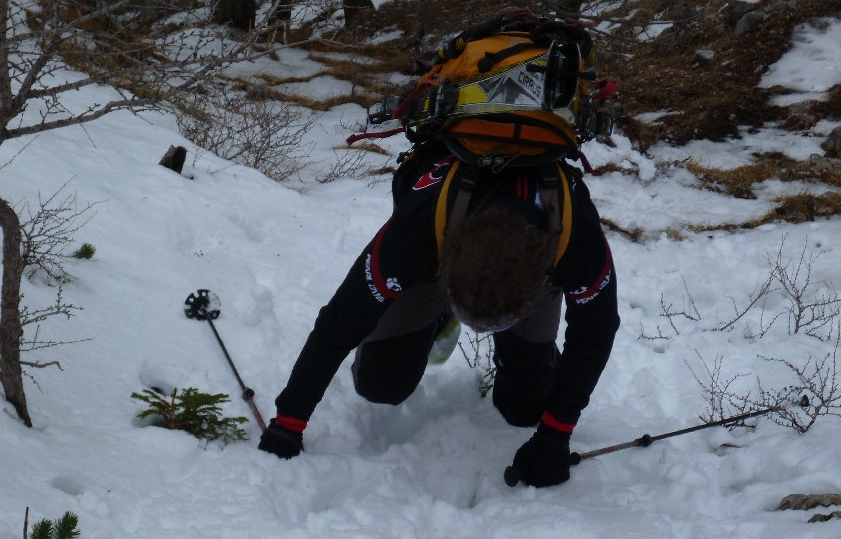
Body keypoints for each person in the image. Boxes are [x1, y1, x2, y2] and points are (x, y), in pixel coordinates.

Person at [257, 141, 619, 487]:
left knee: (526, 407)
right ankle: (439, 316)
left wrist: (555, 434)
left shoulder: (577, 242)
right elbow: (338, 323)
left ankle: (524, 346)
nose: (480, 332)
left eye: (490, 326)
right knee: (380, 382)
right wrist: (288, 423)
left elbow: (595, 333)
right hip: (440, 255)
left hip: (524, 271)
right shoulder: (413, 234)